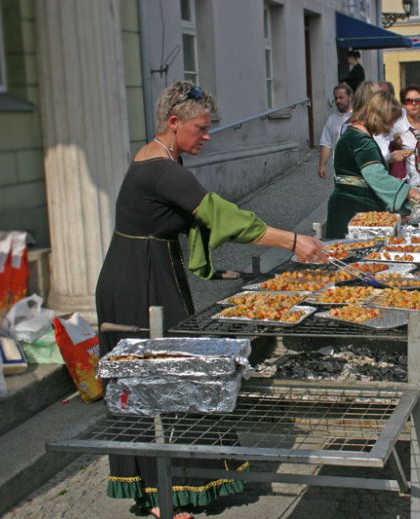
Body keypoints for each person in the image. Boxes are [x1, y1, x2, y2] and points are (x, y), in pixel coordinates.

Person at [95, 81, 325, 519]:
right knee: (165, 379)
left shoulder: (161, 158)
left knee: (157, 378)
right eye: (200, 128)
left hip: (143, 271)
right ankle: (171, 494)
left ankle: (164, 488)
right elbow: (221, 216)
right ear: (174, 122)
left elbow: (195, 217)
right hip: (139, 283)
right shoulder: (162, 170)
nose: (206, 136)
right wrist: (291, 241)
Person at [325, 91, 420, 238]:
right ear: (380, 117)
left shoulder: (353, 135)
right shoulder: (362, 141)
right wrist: (412, 193)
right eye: (390, 121)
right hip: (352, 210)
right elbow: (378, 178)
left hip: (346, 206)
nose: (390, 126)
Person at [318, 83, 353, 179]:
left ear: (350, 97)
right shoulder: (332, 120)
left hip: (357, 169)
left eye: (341, 97)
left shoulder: (358, 116)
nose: (338, 101)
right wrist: (322, 166)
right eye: (336, 98)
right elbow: (326, 143)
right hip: (339, 169)